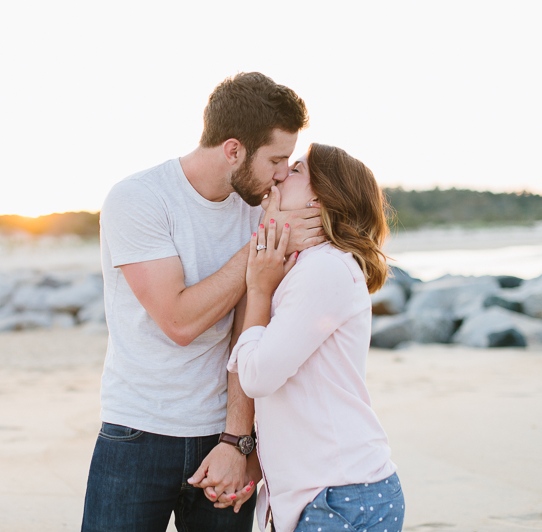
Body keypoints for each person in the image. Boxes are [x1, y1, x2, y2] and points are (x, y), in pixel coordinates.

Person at [80, 73, 324, 532]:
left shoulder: (259, 206)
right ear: (233, 150)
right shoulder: (139, 199)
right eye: (275, 159)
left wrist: (239, 441)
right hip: (137, 432)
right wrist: (262, 243)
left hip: (224, 437)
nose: (281, 174)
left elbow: (248, 331)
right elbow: (180, 321)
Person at [226, 143, 404, 532]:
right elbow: (298, 395)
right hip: (330, 490)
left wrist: (258, 290)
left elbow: (257, 377)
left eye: (296, 170)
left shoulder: (324, 269)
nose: (280, 174)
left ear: (319, 198)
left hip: (341, 494)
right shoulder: (305, 266)